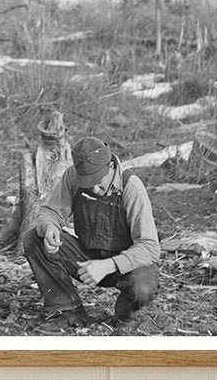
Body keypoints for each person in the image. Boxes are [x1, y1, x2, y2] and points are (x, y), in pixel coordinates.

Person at [22, 136, 160, 332]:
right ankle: (69, 311)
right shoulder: (72, 176)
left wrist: (108, 265)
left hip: (127, 267)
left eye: (99, 182)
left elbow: (150, 247)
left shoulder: (132, 188)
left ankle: (126, 318)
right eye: (88, 183)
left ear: (110, 167)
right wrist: (50, 227)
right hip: (88, 259)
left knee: (143, 287)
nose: (94, 189)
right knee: (33, 238)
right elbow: (50, 212)